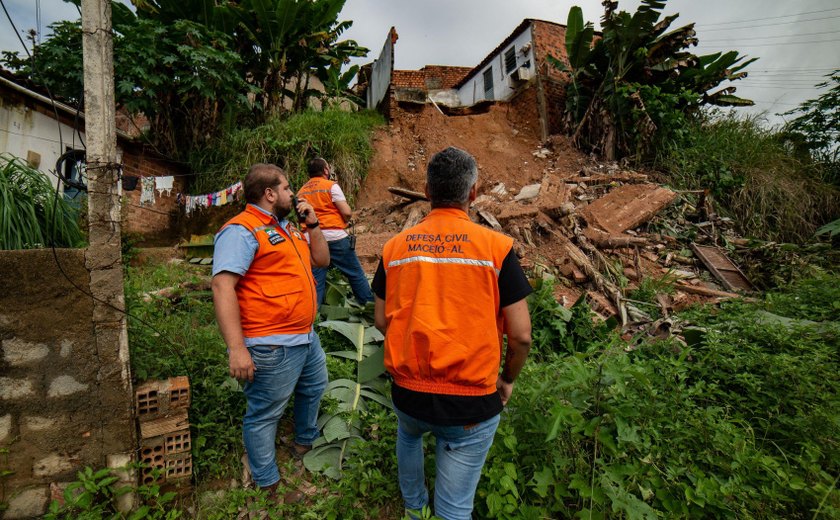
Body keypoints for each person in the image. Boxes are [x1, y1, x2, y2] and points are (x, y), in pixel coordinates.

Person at [372, 147, 532, 520]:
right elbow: (521, 335)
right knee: (455, 507)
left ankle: (414, 508)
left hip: (408, 393)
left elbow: (381, 320)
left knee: (409, 436)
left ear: (426, 191)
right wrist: (507, 379)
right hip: (470, 402)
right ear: (474, 192)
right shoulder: (496, 248)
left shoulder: (394, 248)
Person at [211, 163, 329, 498]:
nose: (293, 194)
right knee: (264, 413)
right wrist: (236, 348)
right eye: (288, 188)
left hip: (305, 336)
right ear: (270, 193)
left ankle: (304, 442)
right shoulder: (242, 230)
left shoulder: (289, 229)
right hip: (271, 343)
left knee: (315, 386)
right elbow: (222, 286)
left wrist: (313, 225)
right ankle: (268, 481)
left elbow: (321, 260)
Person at [297, 157, 374, 306]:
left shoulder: (301, 192)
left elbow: (301, 219)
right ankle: (368, 305)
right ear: (326, 170)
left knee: (316, 281)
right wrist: (345, 220)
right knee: (355, 274)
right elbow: (346, 212)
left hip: (311, 239)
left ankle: (314, 316)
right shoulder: (331, 186)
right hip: (335, 237)